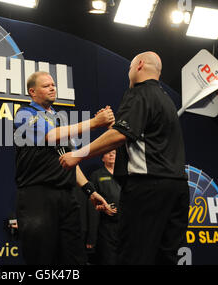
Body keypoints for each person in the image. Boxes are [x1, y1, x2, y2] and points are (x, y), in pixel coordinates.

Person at [59, 52, 189, 265]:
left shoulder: (139, 93)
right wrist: (114, 127)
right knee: (165, 258)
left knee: (133, 257)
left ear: (139, 65)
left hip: (148, 189)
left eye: (129, 68)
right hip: (177, 189)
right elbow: (143, 140)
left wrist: (78, 154)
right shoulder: (166, 99)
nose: (128, 74)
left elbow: (120, 135)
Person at [13, 71, 113, 265]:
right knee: (42, 260)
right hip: (37, 198)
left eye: (53, 84)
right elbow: (49, 136)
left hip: (67, 198)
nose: (52, 88)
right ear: (32, 92)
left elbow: (69, 160)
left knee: (74, 259)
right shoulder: (24, 114)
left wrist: (89, 190)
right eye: (46, 85)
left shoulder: (60, 120)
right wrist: (94, 123)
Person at [88, 150, 121, 265]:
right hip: (106, 226)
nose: (111, 155)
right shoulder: (96, 176)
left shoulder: (125, 174)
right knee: (108, 259)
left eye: (114, 153)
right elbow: (92, 204)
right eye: (108, 153)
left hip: (124, 225)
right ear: (102, 159)